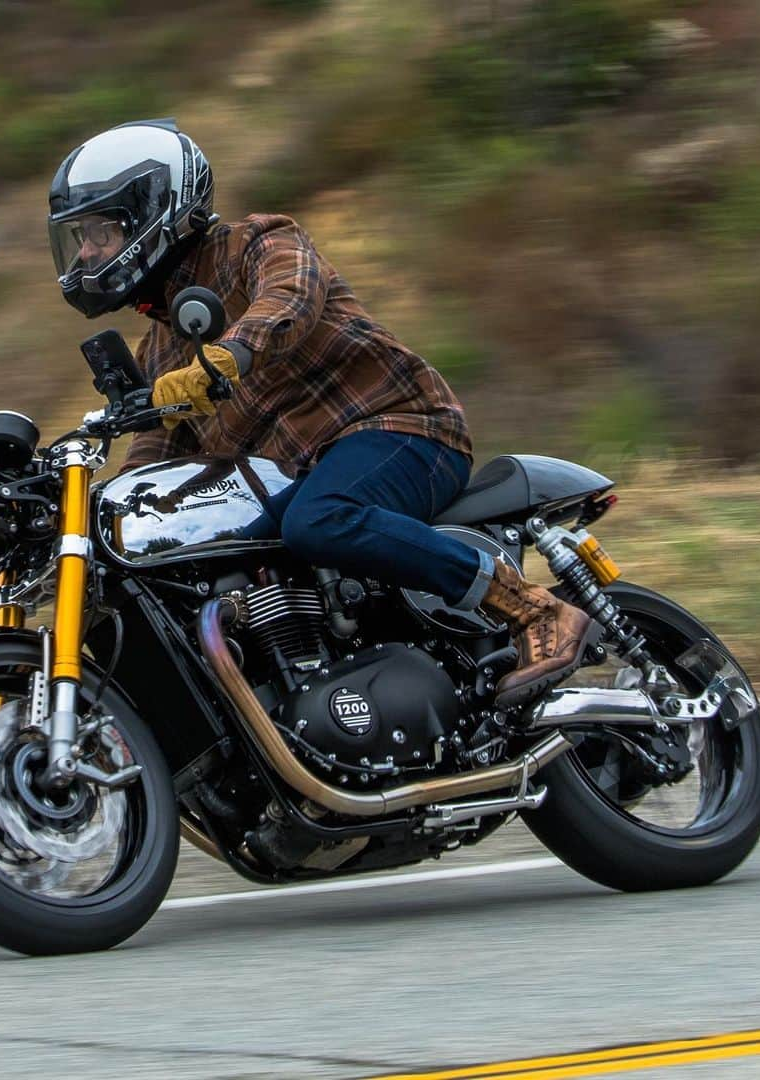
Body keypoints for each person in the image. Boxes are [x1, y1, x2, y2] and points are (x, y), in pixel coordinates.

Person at [47, 119, 593, 705]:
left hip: (401, 427)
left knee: (319, 520)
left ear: (154, 214)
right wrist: (114, 513)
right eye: (78, 237)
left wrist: (233, 355)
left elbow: (291, 297)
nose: (85, 252)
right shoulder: (157, 351)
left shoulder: (257, 243)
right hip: (302, 478)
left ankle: (528, 606)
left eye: (99, 233)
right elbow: (158, 451)